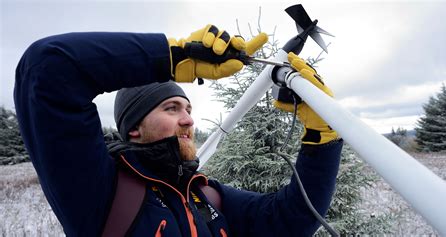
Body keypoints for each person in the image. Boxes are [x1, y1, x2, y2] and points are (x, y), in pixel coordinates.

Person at [14, 24, 343, 236]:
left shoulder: (206, 194)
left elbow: (293, 219)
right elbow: (47, 69)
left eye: (188, 109)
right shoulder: (100, 191)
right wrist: (171, 56)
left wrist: (321, 140)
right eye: (171, 109)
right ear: (134, 129)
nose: (188, 120)